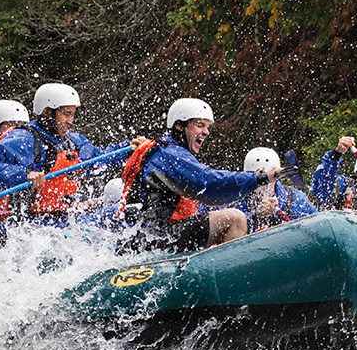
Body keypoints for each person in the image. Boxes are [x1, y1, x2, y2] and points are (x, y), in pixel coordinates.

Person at [120, 98, 294, 251]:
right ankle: (226, 279)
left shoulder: (168, 151)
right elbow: (209, 183)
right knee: (234, 219)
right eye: (199, 125)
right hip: (154, 237)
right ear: (179, 126)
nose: (206, 132)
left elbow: (212, 195)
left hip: (155, 235)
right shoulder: (170, 154)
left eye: (207, 127)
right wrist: (259, 178)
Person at [0, 82, 131, 223]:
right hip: (31, 224)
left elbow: (100, 160)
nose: (70, 121)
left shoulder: (74, 141)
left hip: (67, 221)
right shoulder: (23, 139)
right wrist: (24, 174)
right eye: (66, 114)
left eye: (72, 114)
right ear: (47, 112)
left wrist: (128, 149)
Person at [234, 147, 317, 233]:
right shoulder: (237, 199)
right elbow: (226, 228)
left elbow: (317, 225)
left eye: (267, 178)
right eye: (256, 178)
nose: (262, 184)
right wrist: (255, 215)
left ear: (276, 177)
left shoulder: (295, 198)